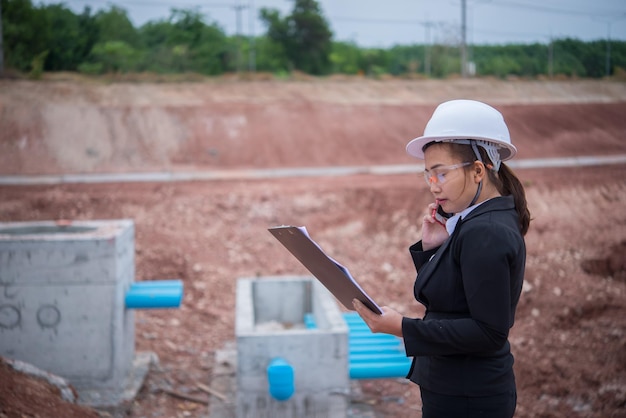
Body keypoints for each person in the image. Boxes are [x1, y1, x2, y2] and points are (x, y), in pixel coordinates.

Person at [353, 99, 530, 418]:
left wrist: (402, 328)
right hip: (456, 388)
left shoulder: (485, 231)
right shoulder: (472, 222)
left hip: (469, 398)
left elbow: (489, 332)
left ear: (478, 170)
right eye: (427, 175)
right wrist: (435, 248)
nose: (433, 186)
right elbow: (452, 301)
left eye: (441, 174)